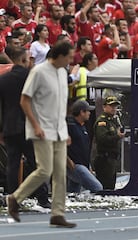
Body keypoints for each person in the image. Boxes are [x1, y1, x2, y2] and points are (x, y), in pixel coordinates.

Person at [6, 41, 77, 228]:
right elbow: (25, 100)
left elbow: (61, 105)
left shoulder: (63, 73)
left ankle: (57, 213)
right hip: (42, 129)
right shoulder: (38, 72)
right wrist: (35, 125)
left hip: (59, 130)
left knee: (60, 172)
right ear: (59, 55)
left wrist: (65, 130)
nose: (71, 60)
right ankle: (15, 198)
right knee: (44, 169)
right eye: (69, 56)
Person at [0, 46, 50, 208]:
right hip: (30, 126)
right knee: (37, 163)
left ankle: (14, 198)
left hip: (10, 127)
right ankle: (43, 198)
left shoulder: (3, 79)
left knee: (12, 164)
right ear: (23, 60)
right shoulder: (33, 77)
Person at [67, 100, 103, 193]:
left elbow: (84, 148)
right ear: (81, 112)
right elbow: (61, 145)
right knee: (97, 188)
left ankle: (71, 206)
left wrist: (89, 165)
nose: (89, 113)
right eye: (87, 111)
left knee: (73, 193)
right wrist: (68, 161)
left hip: (83, 164)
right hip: (76, 165)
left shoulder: (82, 126)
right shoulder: (69, 125)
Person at [94, 96, 125, 190]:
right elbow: (102, 139)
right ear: (104, 107)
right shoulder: (102, 122)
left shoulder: (113, 121)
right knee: (105, 187)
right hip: (105, 159)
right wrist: (117, 136)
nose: (113, 108)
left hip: (112, 159)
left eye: (115, 106)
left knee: (111, 187)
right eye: (111, 106)